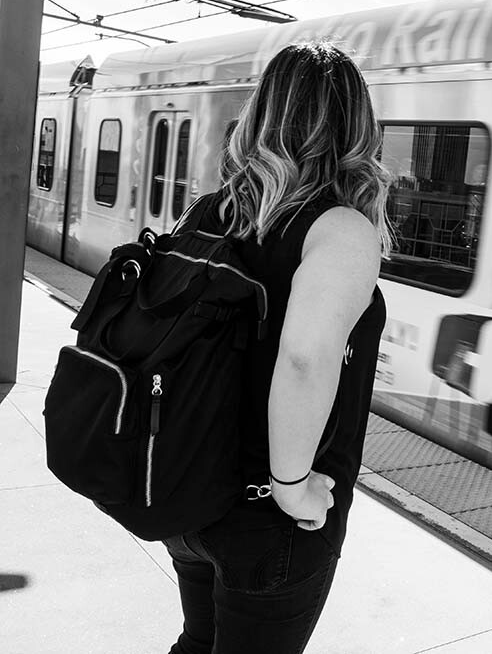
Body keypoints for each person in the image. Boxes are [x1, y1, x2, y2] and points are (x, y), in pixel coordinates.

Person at [161, 41, 391, 654]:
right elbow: (304, 359)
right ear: (358, 127)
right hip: (269, 521)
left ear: (261, 115)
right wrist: (292, 485)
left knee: (197, 642)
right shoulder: (340, 228)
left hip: (190, 497)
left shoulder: (210, 212)